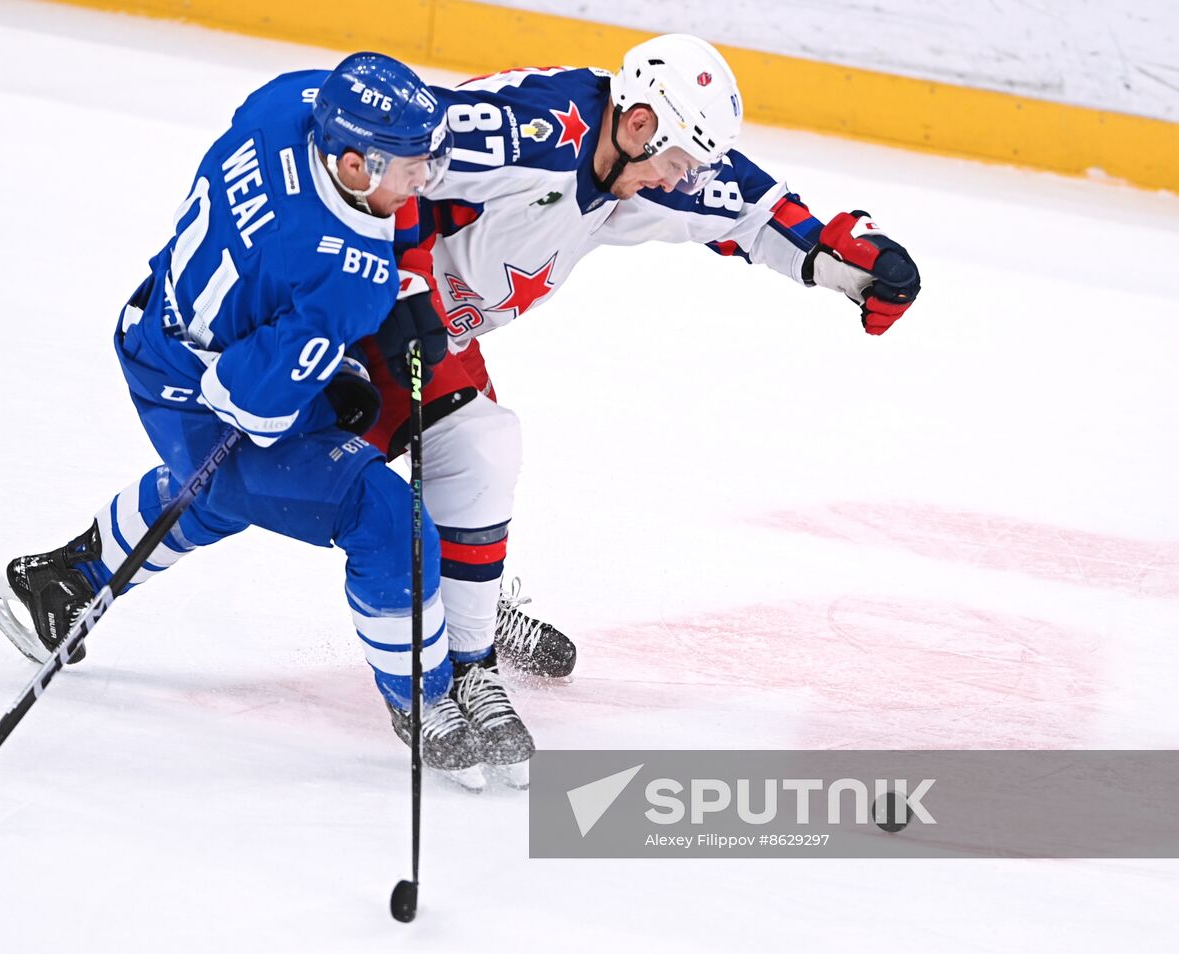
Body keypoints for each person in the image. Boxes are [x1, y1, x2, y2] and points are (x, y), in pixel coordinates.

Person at [0, 53, 533, 792]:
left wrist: (388, 298)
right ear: (355, 165)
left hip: (157, 324)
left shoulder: (292, 102)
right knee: (385, 519)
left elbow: (295, 254)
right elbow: (253, 409)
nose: (424, 181)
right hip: (204, 396)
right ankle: (422, 699)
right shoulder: (347, 281)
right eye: (410, 168)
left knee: (233, 491)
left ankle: (70, 578)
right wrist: (343, 371)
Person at [356, 34, 923, 679]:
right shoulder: (533, 130)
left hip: (439, 333)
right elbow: (382, 146)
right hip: (368, 306)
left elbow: (747, 209)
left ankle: (468, 607)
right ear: (639, 124)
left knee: (475, 464)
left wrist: (832, 256)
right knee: (321, 467)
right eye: (678, 162)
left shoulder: (638, 159)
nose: (679, 181)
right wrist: (400, 277)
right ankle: (462, 639)